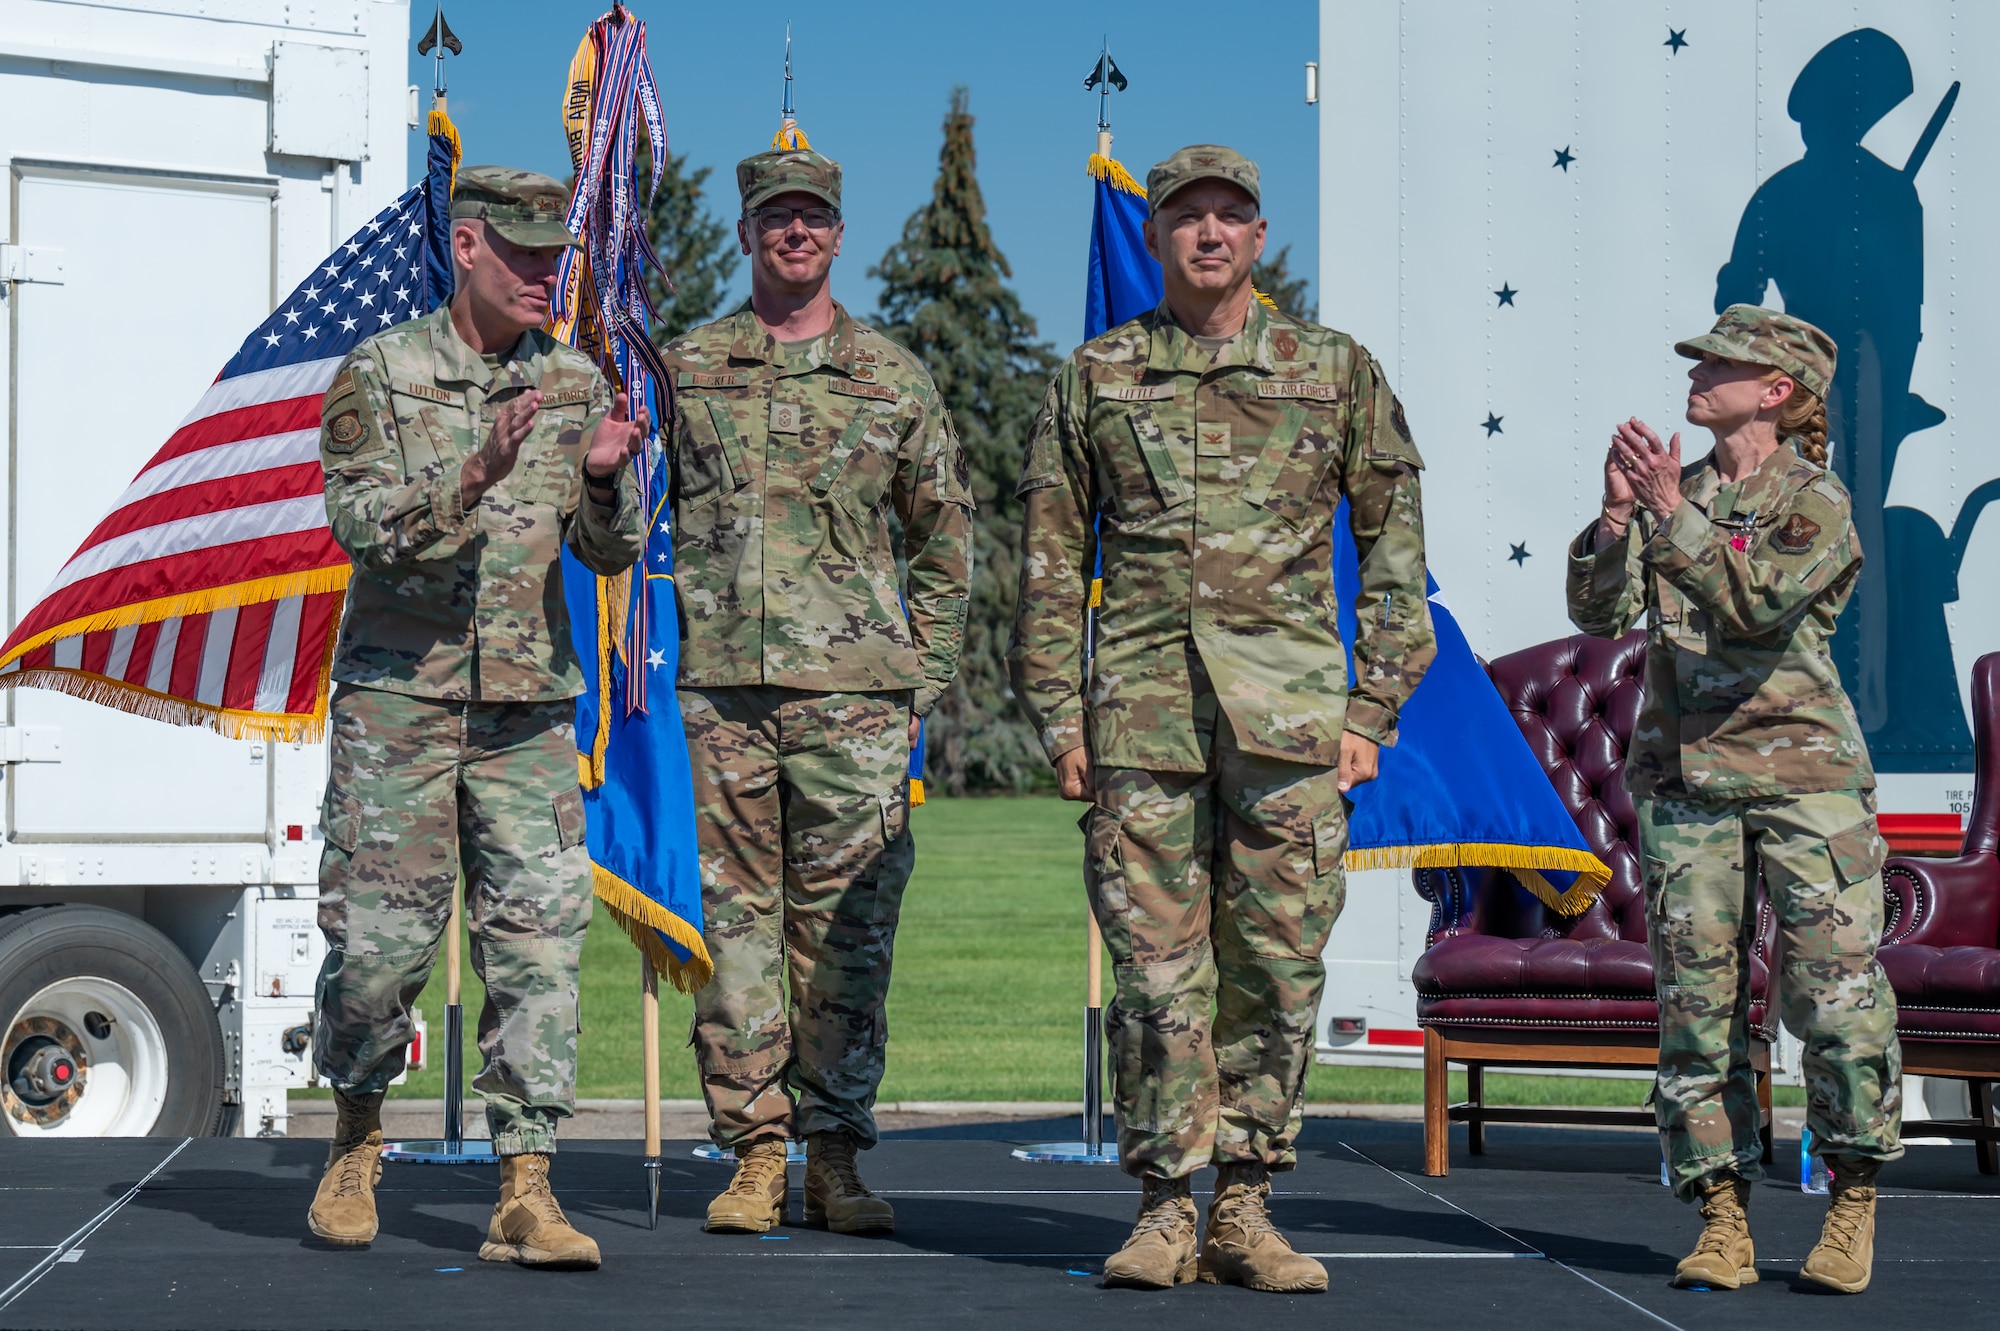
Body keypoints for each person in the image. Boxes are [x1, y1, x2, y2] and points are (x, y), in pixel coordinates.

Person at [1010, 144, 1435, 1293]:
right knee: (1155, 979)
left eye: (1228, 216)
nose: (1207, 234)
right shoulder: (1094, 376)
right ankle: (1161, 1206)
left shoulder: (1332, 370)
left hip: (1291, 725)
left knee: (1275, 972)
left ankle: (1245, 1203)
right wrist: (1059, 718)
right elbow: (1049, 561)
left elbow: (1394, 550)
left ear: (1257, 236)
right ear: (1154, 238)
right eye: (1185, 216)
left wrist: (1372, 705)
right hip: (1139, 720)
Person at [307, 166, 648, 1270]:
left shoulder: (577, 381)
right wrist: (475, 469)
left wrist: (602, 482)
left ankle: (526, 1183)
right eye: (523, 253)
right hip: (400, 703)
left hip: (527, 711)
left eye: (557, 255)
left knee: (538, 950)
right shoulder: (382, 372)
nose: (546, 273)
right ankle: (357, 1137)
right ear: (465, 246)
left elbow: (612, 552)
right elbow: (363, 526)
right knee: (373, 954)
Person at [660, 146, 972, 1236]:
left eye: (813, 219)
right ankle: (752, 1151)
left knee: (846, 938)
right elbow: (624, 525)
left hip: (854, 704)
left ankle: (835, 1153)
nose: (794, 233)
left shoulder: (891, 377)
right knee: (732, 934)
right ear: (745, 234)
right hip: (716, 697)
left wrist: (917, 678)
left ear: (841, 236)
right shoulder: (684, 366)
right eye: (774, 217)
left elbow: (944, 538)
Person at [1567, 305, 1902, 1295]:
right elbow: (1594, 611)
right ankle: (1719, 1215)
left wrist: (1667, 509)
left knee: (1834, 1001)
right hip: (1686, 786)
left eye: (1719, 362)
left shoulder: (1816, 499)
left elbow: (1753, 606)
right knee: (1697, 1009)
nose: (1696, 372)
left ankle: (1849, 1201)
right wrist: (1619, 515)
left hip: (1805, 784)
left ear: (1776, 391)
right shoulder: (1685, 488)